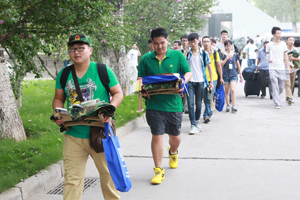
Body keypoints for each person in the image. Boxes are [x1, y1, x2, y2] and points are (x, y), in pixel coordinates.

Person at [52, 33, 123, 200]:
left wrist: (110, 110)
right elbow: (58, 98)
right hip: (73, 135)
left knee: (108, 176)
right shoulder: (64, 74)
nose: (76, 52)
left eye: (81, 48)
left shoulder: (102, 70)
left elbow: (118, 93)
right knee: (72, 180)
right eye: (72, 49)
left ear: (90, 50)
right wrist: (58, 112)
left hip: (101, 133)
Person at [137, 28, 192, 185]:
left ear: (167, 41)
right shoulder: (146, 59)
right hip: (154, 104)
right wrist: (143, 90)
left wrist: (183, 82)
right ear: (152, 43)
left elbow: (188, 73)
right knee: (157, 135)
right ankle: (158, 170)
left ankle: (173, 152)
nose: (159, 47)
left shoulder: (177, 55)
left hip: (174, 104)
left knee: (175, 137)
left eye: (162, 43)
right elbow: (141, 78)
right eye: (156, 44)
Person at [186, 33, 213, 133]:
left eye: (194, 41)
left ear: (198, 41)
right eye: (191, 42)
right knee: (190, 104)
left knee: (198, 104)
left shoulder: (204, 53)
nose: (193, 44)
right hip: (190, 82)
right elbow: (184, 66)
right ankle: (193, 125)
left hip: (201, 81)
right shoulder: (188, 54)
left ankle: (197, 120)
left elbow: (209, 67)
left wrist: (211, 81)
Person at [266, 27, 290, 109]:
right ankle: (277, 103)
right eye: (278, 33)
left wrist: (287, 67)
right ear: (273, 34)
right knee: (275, 85)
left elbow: (286, 56)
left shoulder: (283, 44)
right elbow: (266, 55)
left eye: (280, 33)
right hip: (272, 68)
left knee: (281, 86)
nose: (279, 35)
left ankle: (276, 95)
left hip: (281, 68)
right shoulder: (269, 45)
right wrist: (268, 60)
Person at [202, 36, 224, 123]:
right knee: (205, 97)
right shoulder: (200, 53)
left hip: (213, 78)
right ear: (202, 43)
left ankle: (206, 115)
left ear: (211, 43)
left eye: (208, 41)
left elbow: (219, 66)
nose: (206, 43)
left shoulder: (215, 53)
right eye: (204, 41)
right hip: (203, 78)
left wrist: (221, 77)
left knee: (209, 96)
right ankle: (210, 110)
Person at [220, 40, 243, 113]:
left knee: (233, 89)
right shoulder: (223, 54)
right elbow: (221, 64)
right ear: (225, 47)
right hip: (225, 74)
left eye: (229, 45)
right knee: (227, 91)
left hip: (233, 74)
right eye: (227, 45)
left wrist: (240, 72)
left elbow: (238, 64)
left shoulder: (235, 54)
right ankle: (227, 105)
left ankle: (233, 105)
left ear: (232, 46)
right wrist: (226, 58)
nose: (228, 47)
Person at [285, 36, 299, 105]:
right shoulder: (284, 50)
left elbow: (299, 59)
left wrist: (293, 58)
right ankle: (290, 98)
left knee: (292, 84)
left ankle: (288, 97)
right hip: (286, 70)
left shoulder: (295, 49)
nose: (291, 41)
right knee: (287, 84)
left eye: (292, 40)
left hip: (294, 69)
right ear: (287, 41)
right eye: (290, 40)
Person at [180, 34, 189, 114]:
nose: (185, 42)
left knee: (188, 92)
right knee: (182, 90)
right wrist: (185, 52)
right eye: (184, 40)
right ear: (181, 42)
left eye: (186, 40)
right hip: (182, 73)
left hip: (191, 74)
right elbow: (181, 62)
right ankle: (181, 107)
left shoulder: (193, 50)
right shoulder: (178, 52)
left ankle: (186, 107)